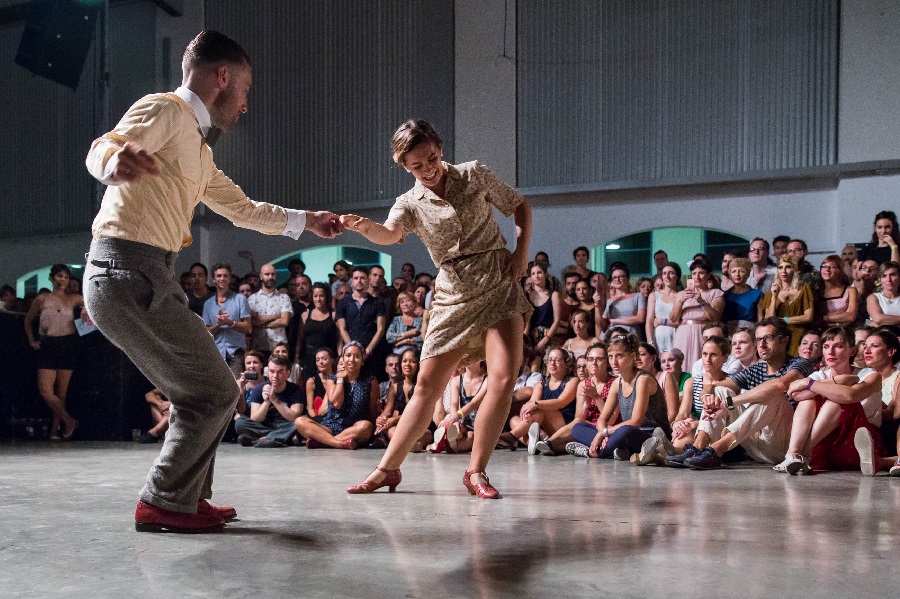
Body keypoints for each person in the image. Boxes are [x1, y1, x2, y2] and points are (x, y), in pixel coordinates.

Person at [82, 30, 343, 533]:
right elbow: (105, 146)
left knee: (203, 391)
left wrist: (306, 219)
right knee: (216, 390)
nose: (245, 104)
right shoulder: (167, 110)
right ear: (221, 77)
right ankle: (162, 499)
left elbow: (243, 210)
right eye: (245, 89)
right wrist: (113, 163)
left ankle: (185, 500)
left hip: (145, 274)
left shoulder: (199, 154)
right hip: (125, 269)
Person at [341, 119, 532, 498]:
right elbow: (391, 235)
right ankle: (386, 470)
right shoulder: (409, 204)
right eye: (417, 165)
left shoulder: (473, 174)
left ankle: (476, 472)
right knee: (427, 385)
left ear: (440, 148)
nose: (428, 169)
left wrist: (520, 253)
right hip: (453, 291)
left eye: (432, 158)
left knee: (503, 377)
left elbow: (519, 205)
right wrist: (364, 227)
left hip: (496, 279)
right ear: (404, 166)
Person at [664, 318, 816, 470]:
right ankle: (697, 448)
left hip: (783, 444)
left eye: (768, 339)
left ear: (784, 340)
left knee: (773, 395)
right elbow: (713, 386)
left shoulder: (800, 363)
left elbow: (779, 385)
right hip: (754, 445)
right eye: (758, 340)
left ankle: (716, 450)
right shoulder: (755, 370)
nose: (761, 345)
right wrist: (707, 396)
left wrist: (730, 402)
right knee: (721, 391)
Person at [774, 325, 882, 474]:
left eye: (838, 346)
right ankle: (793, 453)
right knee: (808, 400)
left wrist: (808, 383)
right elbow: (795, 394)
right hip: (823, 444)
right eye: (826, 346)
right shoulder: (820, 375)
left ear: (852, 350)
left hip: (860, 443)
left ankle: (803, 453)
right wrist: (836, 381)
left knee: (836, 399)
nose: (830, 352)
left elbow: (849, 396)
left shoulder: (870, 375)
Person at [567, 336, 670, 460]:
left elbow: (635, 422)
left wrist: (604, 433)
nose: (614, 362)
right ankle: (615, 450)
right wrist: (603, 434)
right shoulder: (617, 383)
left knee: (625, 431)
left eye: (619, 356)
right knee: (578, 427)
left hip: (648, 436)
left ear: (632, 356)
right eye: (610, 357)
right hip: (623, 435)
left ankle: (592, 452)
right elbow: (602, 419)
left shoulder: (643, 380)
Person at [23, 264, 84, 441]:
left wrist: (86, 310)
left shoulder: (74, 298)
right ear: (51, 278)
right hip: (48, 344)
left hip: (67, 344)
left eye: (66, 277)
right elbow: (27, 321)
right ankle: (69, 421)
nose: (63, 280)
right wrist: (31, 340)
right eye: (59, 276)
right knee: (46, 391)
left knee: (61, 393)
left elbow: (92, 305)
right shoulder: (42, 298)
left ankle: (55, 430)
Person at [534, 343, 615, 455]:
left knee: (566, 440)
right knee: (577, 425)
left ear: (607, 362)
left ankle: (548, 443)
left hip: (606, 428)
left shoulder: (615, 383)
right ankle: (553, 445)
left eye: (599, 359)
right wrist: (586, 405)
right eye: (590, 359)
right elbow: (579, 418)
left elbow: (611, 419)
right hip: (585, 427)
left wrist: (596, 396)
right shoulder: (583, 384)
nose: (594, 363)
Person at [295, 341, 377, 450]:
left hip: (353, 429)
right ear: (343, 358)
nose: (351, 359)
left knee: (366, 426)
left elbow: (372, 409)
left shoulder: (370, 381)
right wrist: (339, 379)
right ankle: (339, 443)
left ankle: (323, 442)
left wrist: (372, 432)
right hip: (329, 427)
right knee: (299, 421)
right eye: (348, 356)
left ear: (362, 361)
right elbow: (337, 403)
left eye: (356, 356)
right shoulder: (331, 379)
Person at [510, 347, 578, 454]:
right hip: (543, 427)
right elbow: (531, 403)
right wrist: (527, 412)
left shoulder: (572, 381)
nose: (553, 363)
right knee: (514, 420)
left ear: (566, 363)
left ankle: (512, 436)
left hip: (563, 426)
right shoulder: (541, 384)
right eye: (550, 360)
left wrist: (536, 405)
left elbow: (561, 402)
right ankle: (534, 444)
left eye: (557, 360)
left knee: (541, 409)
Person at [235, 354, 304, 448]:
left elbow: (294, 417)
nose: (275, 376)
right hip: (265, 426)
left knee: (300, 423)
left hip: (286, 425)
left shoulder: (295, 390)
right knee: (240, 423)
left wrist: (275, 400)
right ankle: (280, 438)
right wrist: (266, 401)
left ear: (287, 374)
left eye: (279, 372)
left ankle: (258, 440)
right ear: (268, 372)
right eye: (272, 372)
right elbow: (255, 418)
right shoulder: (259, 389)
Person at [670, 259, 725, 366]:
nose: (697, 277)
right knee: (680, 363)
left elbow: (715, 318)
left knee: (701, 363)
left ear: (708, 275)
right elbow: (673, 319)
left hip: (703, 332)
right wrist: (681, 300)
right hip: (683, 332)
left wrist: (702, 301)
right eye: (694, 273)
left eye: (701, 273)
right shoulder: (681, 294)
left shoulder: (716, 293)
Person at [858, 331, 900, 472]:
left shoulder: (898, 377)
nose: (867, 350)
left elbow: (894, 414)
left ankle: (885, 461)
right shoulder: (862, 375)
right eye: (865, 346)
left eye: (874, 346)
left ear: (891, 352)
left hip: (889, 429)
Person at [374, 349, 431, 451]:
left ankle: (405, 445)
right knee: (389, 429)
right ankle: (412, 446)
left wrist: (394, 419)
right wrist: (381, 419)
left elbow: (416, 414)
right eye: (404, 361)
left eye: (412, 361)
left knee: (425, 434)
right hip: (401, 427)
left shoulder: (423, 386)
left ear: (418, 364)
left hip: (420, 426)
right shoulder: (394, 387)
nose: (407, 364)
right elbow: (388, 410)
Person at [202, 263, 251, 379]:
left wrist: (230, 323)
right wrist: (218, 324)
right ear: (213, 280)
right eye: (219, 276)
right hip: (216, 353)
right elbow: (205, 331)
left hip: (236, 353)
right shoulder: (208, 304)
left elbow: (248, 327)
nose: (222, 279)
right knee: (217, 389)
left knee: (236, 388)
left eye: (225, 276)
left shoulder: (240, 300)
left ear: (229, 279)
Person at [430, 360, 489, 454]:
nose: (467, 359)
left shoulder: (488, 380)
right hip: (463, 420)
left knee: (471, 437)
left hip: (480, 422)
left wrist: (454, 417)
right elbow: (454, 404)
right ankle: (448, 441)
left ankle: (444, 444)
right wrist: (455, 421)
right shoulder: (456, 380)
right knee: (456, 429)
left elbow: (473, 404)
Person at [759, 255, 814, 354]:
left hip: (799, 335)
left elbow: (808, 317)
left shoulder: (804, 289)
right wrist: (774, 297)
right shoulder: (770, 293)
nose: (783, 271)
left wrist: (783, 320)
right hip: (779, 336)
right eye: (780, 267)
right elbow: (769, 320)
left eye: (788, 267)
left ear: (794, 269)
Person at [295, 282, 339, 381]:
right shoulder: (305, 315)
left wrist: (339, 358)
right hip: (309, 359)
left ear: (326, 297)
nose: (318, 299)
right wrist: (297, 356)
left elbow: (339, 340)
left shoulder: (333, 315)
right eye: (315, 296)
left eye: (321, 296)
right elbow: (300, 338)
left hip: (328, 359)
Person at [248, 263, 293, 355]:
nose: (270, 277)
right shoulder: (252, 299)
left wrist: (261, 323)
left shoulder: (284, 297)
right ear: (261, 277)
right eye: (267, 274)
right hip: (258, 345)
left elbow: (284, 321)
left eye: (273, 274)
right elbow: (252, 322)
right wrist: (276, 316)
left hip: (279, 346)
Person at [600, 263, 646, 339]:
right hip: (610, 335)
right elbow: (604, 322)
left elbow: (640, 318)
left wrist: (615, 321)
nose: (617, 279)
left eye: (621, 276)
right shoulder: (608, 301)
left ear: (628, 278)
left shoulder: (638, 296)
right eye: (614, 277)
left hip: (630, 334)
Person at [525, 263, 561, 355]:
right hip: (531, 338)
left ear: (545, 275)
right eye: (533, 273)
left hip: (548, 336)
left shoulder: (554, 295)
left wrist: (544, 341)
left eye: (539, 272)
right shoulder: (527, 296)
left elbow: (557, 321)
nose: (536, 276)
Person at [722, 257, 763, 333]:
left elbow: (760, 318)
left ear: (748, 274)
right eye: (734, 271)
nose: (737, 274)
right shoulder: (725, 295)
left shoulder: (757, 295)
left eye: (741, 271)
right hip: (729, 333)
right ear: (730, 274)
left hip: (750, 333)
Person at [646, 262, 680, 351]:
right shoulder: (654, 295)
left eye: (671, 273)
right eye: (664, 273)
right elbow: (649, 320)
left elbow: (681, 322)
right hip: (658, 339)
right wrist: (650, 342)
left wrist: (662, 321)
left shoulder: (681, 295)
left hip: (677, 337)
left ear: (677, 276)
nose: (667, 276)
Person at [816, 255, 858, 328]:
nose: (827, 269)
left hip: (844, 331)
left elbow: (851, 316)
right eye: (824, 266)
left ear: (840, 271)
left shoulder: (851, 290)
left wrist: (824, 318)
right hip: (820, 331)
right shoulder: (816, 291)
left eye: (832, 267)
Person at [305, 347, 335, 423]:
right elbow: (310, 409)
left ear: (332, 360)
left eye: (324, 359)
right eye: (317, 360)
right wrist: (317, 419)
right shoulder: (311, 381)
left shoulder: (339, 379)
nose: (320, 362)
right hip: (318, 418)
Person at [867, 261, 900, 327]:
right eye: (884, 276)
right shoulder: (873, 297)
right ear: (880, 279)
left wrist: (886, 320)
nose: (888, 279)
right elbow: (878, 319)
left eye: (892, 275)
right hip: (880, 334)